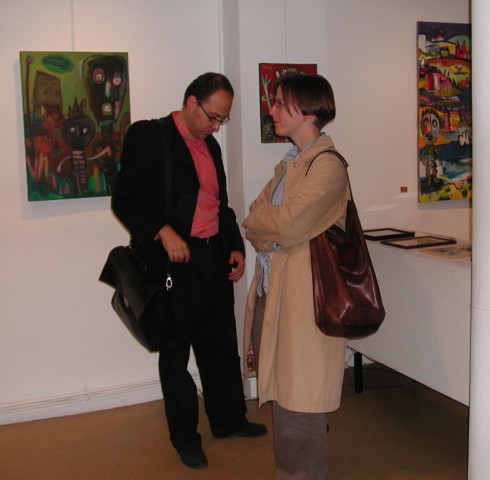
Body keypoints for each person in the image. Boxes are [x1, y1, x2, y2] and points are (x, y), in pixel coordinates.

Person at [111, 72, 267, 470]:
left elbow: (220, 204)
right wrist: (161, 231)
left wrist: (234, 246)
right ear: (191, 103)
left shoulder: (210, 146)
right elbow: (125, 199)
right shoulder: (151, 136)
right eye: (213, 117)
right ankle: (185, 438)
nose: (217, 126)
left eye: (223, 119)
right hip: (174, 264)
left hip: (213, 259)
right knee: (176, 353)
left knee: (220, 345)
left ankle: (229, 420)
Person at [243, 73, 349, 479]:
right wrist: (273, 231)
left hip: (304, 305)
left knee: (300, 408)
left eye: (279, 102)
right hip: (273, 295)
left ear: (306, 111)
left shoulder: (328, 166)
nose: (271, 109)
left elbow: (287, 224)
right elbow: (253, 218)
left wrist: (272, 230)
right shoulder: (289, 163)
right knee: (285, 404)